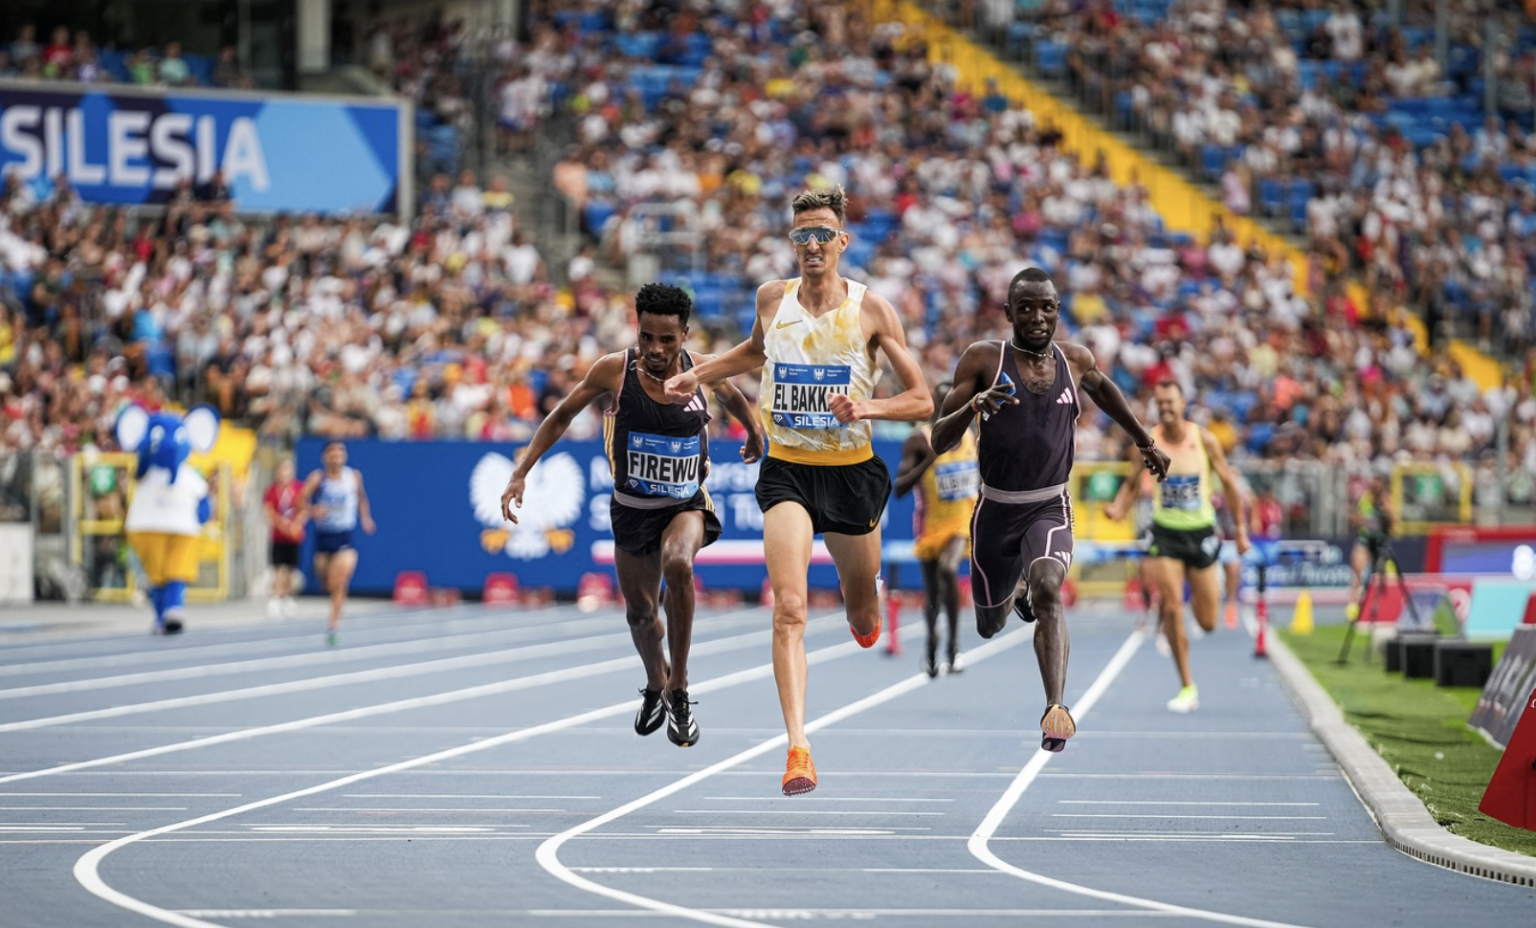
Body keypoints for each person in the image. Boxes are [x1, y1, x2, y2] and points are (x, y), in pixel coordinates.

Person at [664, 186, 933, 795]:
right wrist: (696, 372)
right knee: (789, 608)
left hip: (851, 473)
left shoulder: (872, 310)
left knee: (863, 613)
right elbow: (753, 354)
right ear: (792, 243)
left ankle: (865, 597)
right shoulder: (770, 299)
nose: (812, 245)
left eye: (823, 235)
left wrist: (864, 404)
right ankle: (798, 748)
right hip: (786, 470)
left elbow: (923, 399)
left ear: (842, 242)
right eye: (801, 235)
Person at [501, 283, 764, 748]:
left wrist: (754, 431)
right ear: (636, 331)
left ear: (684, 334)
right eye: (647, 338)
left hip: (686, 502)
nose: (657, 350)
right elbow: (562, 415)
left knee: (679, 564)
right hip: (632, 508)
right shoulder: (614, 370)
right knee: (641, 615)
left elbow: (733, 396)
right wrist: (522, 471)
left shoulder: (703, 367)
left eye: (667, 339)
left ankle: (679, 689)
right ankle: (656, 684)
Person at [932, 267, 1169, 752]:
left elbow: (1103, 390)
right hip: (995, 510)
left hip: (1049, 505)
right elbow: (939, 438)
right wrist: (974, 405)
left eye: (1047, 308)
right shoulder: (983, 359)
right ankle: (1012, 584)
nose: (1038, 317)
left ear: (1058, 310)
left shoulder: (1075, 360)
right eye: (1026, 308)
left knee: (1049, 590)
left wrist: (1145, 442)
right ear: (1008, 313)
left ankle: (1055, 707)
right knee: (989, 624)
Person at [1105, 380, 1250, 713]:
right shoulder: (1147, 441)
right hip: (1165, 534)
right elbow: (1129, 484)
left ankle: (1196, 625)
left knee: (1208, 620)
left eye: (1170, 401)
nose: (1165, 407)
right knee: (1171, 606)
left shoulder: (1205, 440)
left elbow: (1229, 485)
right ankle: (1187, 685)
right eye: (1160, 402)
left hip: (1200, 534)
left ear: (1183, 403)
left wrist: (1240, 531)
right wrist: (1118, 508)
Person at [894, 382, 978, 678]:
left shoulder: (970, 436)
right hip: (930, 525)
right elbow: (900, 489)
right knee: (931, 593)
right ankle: (932, 642)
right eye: (946, 402)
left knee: (947, 570)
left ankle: (954, 646)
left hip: (962, 523)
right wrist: (927, 462)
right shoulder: (919, 441)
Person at [301, 441, 375, 646]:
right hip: (324, 536)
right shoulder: (318, 478)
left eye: (340, 452)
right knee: (326, 582)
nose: (336, 456)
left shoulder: (353, 477)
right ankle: (333, 605)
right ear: (325, 457)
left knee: (339, 581)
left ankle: (333, 625)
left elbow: (361, 498)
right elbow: (300, 500)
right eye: (332, 453)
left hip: (344, 536)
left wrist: (366, 518)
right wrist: (312, 510)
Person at [263, 458, 305, 618]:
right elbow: (269, 511)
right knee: (278, 568)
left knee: (290, 568)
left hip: (294, 535)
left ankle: (287, 596)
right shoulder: (272, 490)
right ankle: (276, 596)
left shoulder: (298, 488)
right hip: (278, 535)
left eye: (288, 469)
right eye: (282, 469)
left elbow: (304, 509)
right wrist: (282, 525)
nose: (285, 472)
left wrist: (295, 524)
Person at [1347, 474, 1393, 620]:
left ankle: (1380, 606)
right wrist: (1363, 520)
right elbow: (1353, 518)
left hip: (1380, 541)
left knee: (1382, 575)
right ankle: (1354, 605)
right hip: (1365, 538)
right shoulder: (1364, 498)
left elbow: (1393, 522)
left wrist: (1386, 511)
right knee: (1357, 569)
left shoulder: (1386, 500)